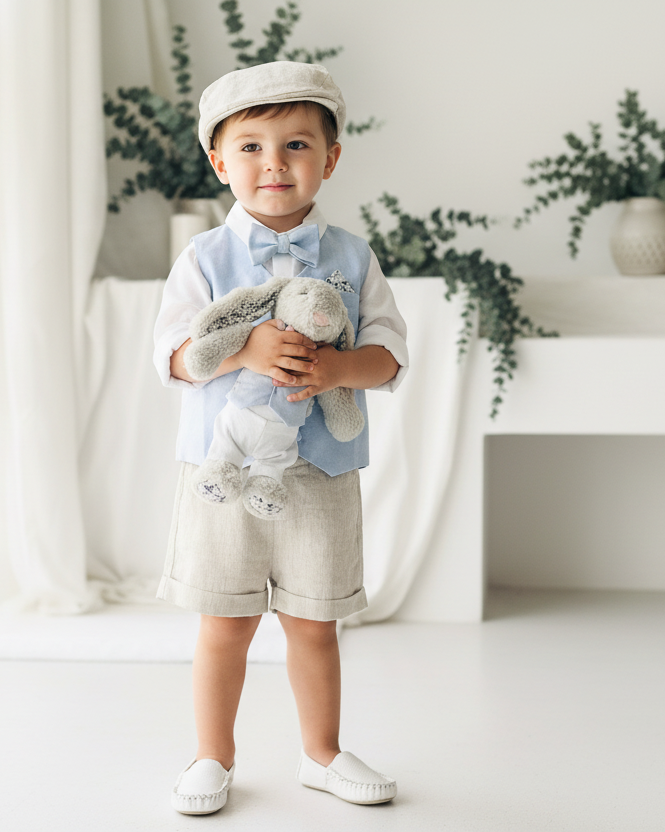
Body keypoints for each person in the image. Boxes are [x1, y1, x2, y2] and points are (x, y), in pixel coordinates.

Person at [151, 61, 410, 815]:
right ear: (219, 161)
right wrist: (244, 350)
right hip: (223, 472)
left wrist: (335, 369)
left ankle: (322, 754)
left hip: (319, 473)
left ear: (329, 159)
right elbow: (172, 355)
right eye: (253, 146)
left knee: (313, 623)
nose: (274, 164)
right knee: (224, 623)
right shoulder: (202, 258)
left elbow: (390, 356)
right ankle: (212, 756)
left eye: (296, 145)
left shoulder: (355, 259)